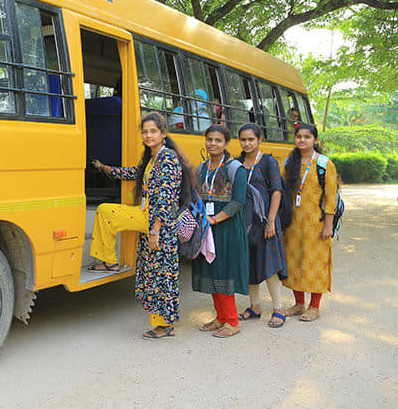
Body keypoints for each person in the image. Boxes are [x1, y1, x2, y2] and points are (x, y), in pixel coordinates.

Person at [89, 112, 193, 339]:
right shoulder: (151, 158)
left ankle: (165, 325)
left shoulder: (168, 159)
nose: (148, 135)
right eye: (145, 132)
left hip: (160, 223)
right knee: (106, 211)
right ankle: (110, 262)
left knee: (161, 274)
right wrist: (104, 168)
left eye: (153, 131)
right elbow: (132, 173)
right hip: (146, 215)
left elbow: (166, 198)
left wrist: (155, 230)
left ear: (164, 134)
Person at [193, 124, 249, 338]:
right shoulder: (202, 168)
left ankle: (233, 322)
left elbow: (238, 202)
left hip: (227, 228)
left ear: (226, 144)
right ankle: (221, 317)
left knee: (224, 273)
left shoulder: (236, 168)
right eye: (210, 139)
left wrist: (215, 219)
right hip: (207, 228)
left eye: (218, 140)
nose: (213, 144)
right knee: (212, 270)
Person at [282, 123, 337, 322]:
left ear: (315, 140)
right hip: (293, 224)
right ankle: (298, 304)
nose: (302, 140)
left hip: (317, 224)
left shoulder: (324, 164)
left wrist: (328, 226)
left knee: (315, 264)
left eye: (307, 137)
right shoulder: (290, 162)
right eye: (299, 136)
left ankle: (314, 307)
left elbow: (331, 198)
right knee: (294, 262)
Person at [236, 123, 289, 328]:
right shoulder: (238, 162)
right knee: (248, 263)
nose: (247, 143)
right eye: (243, 139)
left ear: (259, 140)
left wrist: (271, 221)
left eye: (251, 139)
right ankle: (255, 306)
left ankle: (278, 308)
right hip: (245, 222)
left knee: (269, 264)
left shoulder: (268, 161)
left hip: (266, 220)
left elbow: (276, 191)